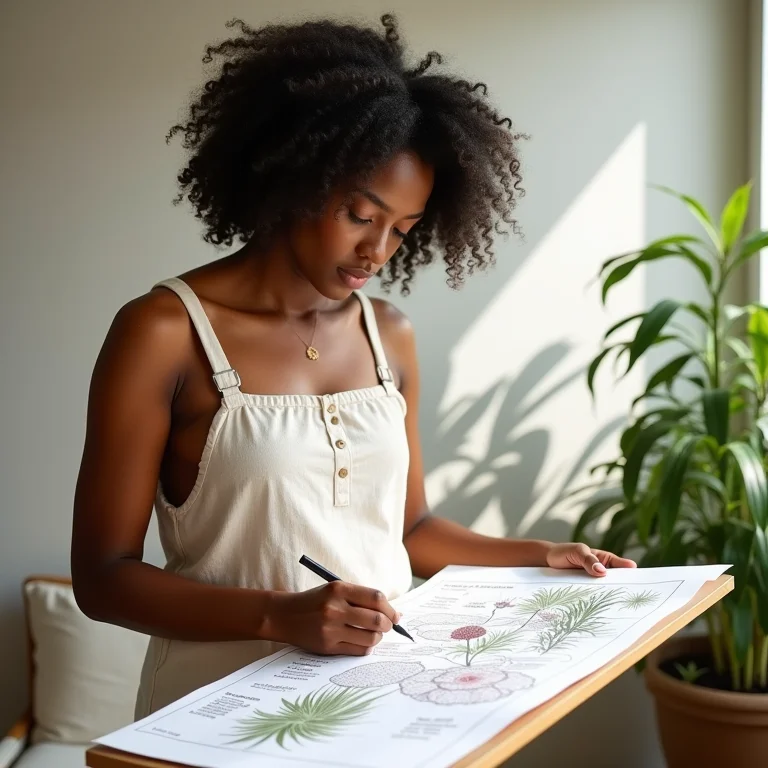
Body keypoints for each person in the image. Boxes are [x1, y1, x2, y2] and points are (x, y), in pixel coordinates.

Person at [70, 13, 636, 720]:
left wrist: (538, 554)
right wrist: (280, 615)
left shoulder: (388, 335)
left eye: (403, 228)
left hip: (374, 707)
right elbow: (103, 579)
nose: (379, 250)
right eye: (360, 214)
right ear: (296, 175)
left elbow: (410, 528)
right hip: (216, 719)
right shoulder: (162, 332)